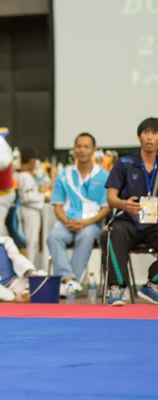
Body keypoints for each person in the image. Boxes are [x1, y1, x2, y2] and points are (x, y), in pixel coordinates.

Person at [102, 118, 158, 306]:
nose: (150, 137)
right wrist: (124, 204)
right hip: (128, 220)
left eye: (154, 133)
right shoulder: (124, 163)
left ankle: (153, 284)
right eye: (145, 132)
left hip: (154, 224)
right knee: (112, 233)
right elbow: (111, 198)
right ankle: (117, 288)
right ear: (139, 136)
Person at [46, 133, 110, 296]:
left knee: (86, 236)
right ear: (73, 149)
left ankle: (70, 281)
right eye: (78, 146)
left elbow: (105, 208)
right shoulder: (63, 175)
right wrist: (67, 221)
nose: (82, 150)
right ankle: (69, 280)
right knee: (54, 236)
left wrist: (84, 223)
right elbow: (58, 205)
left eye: (86, 147)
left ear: (94, 150)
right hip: (67, 222)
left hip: (92, 224)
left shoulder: (104, 176)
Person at [16, 148, 45, 261]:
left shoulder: (24, 175)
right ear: (33, 161)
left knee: (32, 241)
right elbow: (25, 197)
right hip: (29, 211)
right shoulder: (25, 176)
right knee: (31, 241)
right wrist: (42, 198)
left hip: (30, 210)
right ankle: (29, 266)